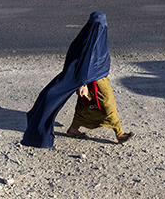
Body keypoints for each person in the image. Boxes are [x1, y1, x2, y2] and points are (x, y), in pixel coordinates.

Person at [21, 11, 134, 148]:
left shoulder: (89, 36)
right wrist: (83, 83)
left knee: (86, 105)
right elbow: (83, 63)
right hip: (95, 80)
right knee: (108, 103)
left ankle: (74, 129)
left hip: (99, 77)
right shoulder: (90, 39)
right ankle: (120, 134)